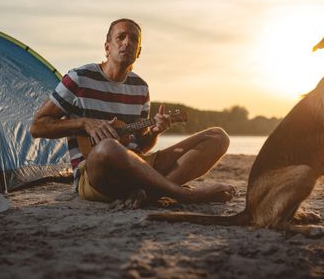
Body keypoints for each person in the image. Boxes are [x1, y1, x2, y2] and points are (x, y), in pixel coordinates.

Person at [30, 18, 234, 207]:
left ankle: (147, 193)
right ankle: (184, 194)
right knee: (107, 147)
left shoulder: (140, 87)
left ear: (139, 51)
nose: (127, 42)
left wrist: (154, 132)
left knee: (218, 136)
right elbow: (37, 126)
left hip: (137, 168)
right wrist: (84, 123)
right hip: (94, 174)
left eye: (133, 39)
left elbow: (140, 146)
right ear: (107, 47)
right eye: (121, 37)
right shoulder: (78, 79)